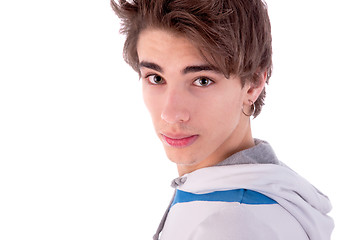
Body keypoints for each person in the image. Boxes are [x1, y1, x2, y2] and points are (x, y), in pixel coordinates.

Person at [111, 0, 334, 239]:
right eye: (155, 78)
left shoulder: (229, 225)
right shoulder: (233, 194)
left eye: (202, 80)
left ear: (254, 84)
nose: (171, 113)